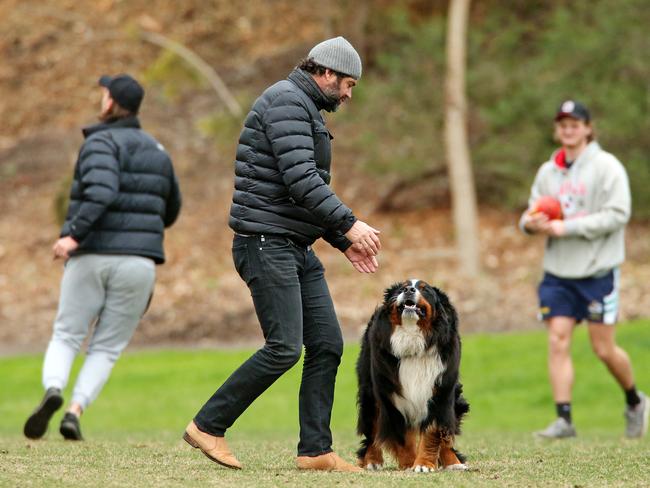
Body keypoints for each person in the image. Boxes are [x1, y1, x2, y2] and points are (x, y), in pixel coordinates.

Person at [184, 37, 379, 472]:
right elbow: (303, 182)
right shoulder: (287, 102)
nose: (349, 95)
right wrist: (349, 223)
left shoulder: (303, 107)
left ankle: (315, 451)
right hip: (264, 243)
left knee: (327, 343)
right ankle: (208, 425)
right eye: (347, 84)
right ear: (325, 73)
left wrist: (342, 240)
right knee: (284, 347)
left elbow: (301, 194)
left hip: (293, 245)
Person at [23, 74, 182, 441]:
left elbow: (103, 191)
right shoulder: (158, 151)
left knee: (66, 335)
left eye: (104, 93)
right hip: (140, 264)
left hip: (92, 255)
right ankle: (74, 410)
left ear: (110, 103)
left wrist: (72, 236)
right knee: (107, 347)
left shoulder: (99, 142)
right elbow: (171, 209)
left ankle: (53, 388)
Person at [520, 100, 648, 439]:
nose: (568, 128)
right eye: (562, 123)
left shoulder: (607, 167)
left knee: (603, 348)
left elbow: (618, 214)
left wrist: (569, 228)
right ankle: (564, 420)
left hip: (597, 272)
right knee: (558, 340)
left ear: (588, 128)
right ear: (556, 130)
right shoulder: (548, 172)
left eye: (575, 122)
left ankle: (635, 401)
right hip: (558, 273)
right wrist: (532, 224)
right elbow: (529, 214)